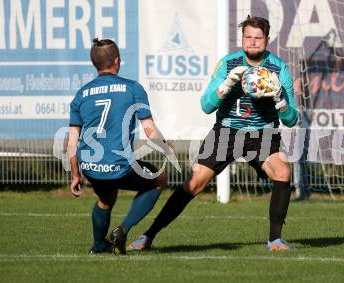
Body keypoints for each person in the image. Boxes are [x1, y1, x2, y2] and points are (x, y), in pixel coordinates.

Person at [127, 15, 299, 252]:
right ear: (242, 39)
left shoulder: (279, 68)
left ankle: (275, 240)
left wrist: (281, 102)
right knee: (195, 183)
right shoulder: (228, 64)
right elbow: (206, 106)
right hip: (227, 130)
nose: (252, 42)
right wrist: (226, 85)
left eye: (258, 38)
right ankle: (148, 236)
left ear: (267, 40)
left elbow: (292, 120)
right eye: (248, 37)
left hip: (264, 133)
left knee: (282, 171)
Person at [67, 38, 171, 255]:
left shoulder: (81, 95)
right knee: (158, 180)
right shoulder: (132, 88)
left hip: (91, 166)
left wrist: (75, 174)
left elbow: (71, 142)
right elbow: (149, 130)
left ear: (95, 63)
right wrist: (166, 148)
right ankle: (122, 230)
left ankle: (98, 245)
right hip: (120, 165)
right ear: (117, 61)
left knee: (106, 197)